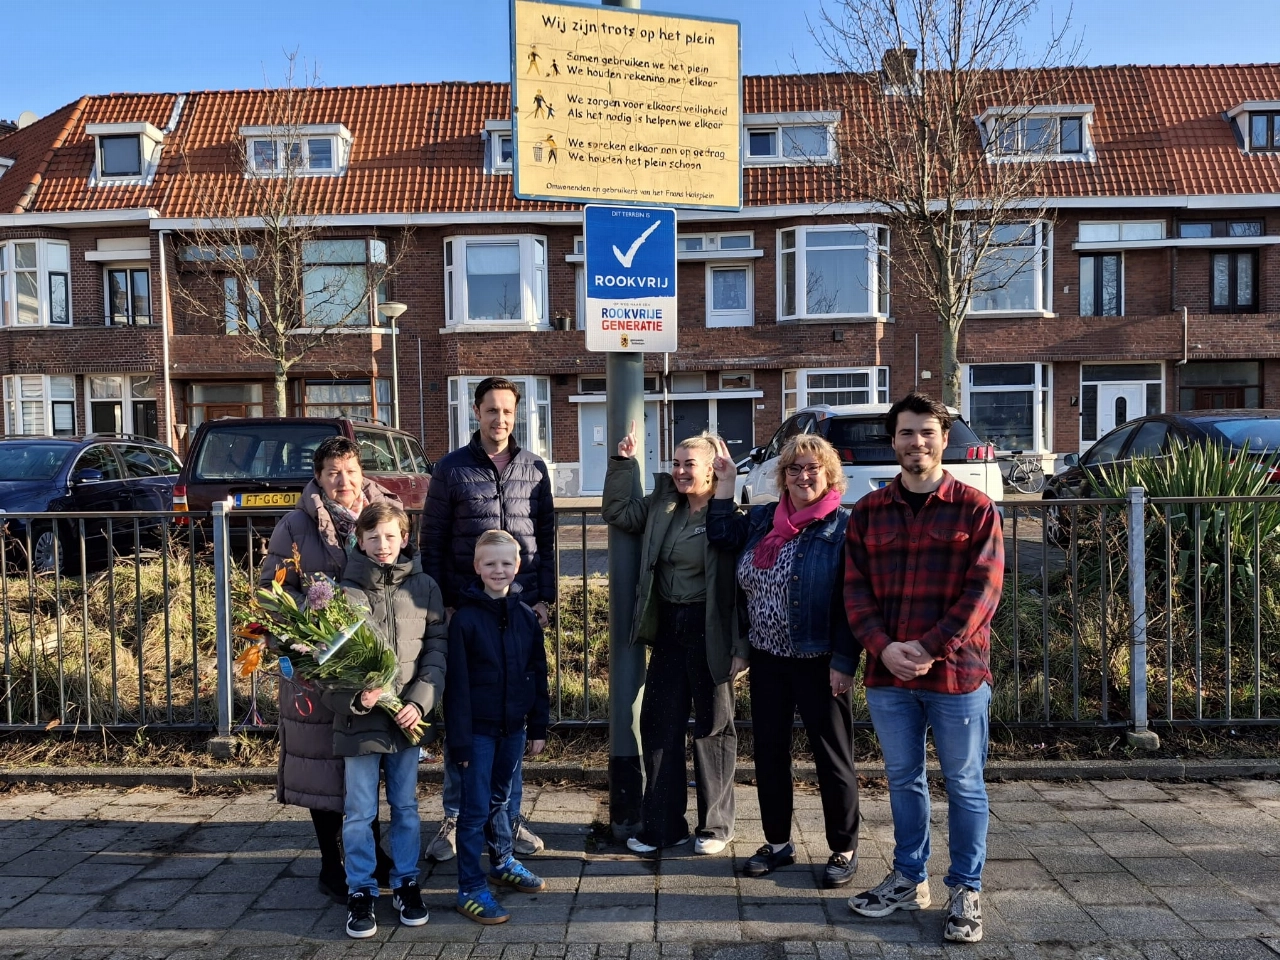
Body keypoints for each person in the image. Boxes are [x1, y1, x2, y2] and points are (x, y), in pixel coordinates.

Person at [843, 393, 1004, 944]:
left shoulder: (976, 509)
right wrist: (883, 647)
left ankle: (966, 889)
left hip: (957, 675)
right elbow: (854, 590)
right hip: (888, 676)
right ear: (893, 441)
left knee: (963, 782)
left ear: (943, 438)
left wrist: (931, 647)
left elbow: (983, 592)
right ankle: (909, 878)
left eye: (927, 432)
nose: (917, 442)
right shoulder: (868, 512)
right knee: (902, 780)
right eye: (907, 433)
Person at [706, 434, 863, 888]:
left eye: (813, 468)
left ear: (829, 475)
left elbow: (852, 600)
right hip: (768, 659)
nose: (803, 476)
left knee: (832, 758)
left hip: (820, 662)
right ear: (782, 477)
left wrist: (845, 660)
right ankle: (778, 844)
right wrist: (726, 481)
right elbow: (720, 533)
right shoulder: (762, 521)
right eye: (794, 469)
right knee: (770, 755)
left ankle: (843, 848)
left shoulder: (842, 528)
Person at [260, 435, 397, 903]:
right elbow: (271, 589)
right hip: (318, 664)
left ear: (363, 472)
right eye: (333, 472)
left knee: (366, 760)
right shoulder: (296, 526)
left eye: (351, 470)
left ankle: (371, 854)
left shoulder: (385, 512)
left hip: (373, 661)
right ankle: (330, 864)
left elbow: (403, 574)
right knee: (323, 767)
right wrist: (316, 616)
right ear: (318, 477)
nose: (344, 480)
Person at [421, 376, 553, 862]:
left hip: (519, 616)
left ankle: (508, 821)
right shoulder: (451, 470)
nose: (500, 420)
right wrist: (444, 606)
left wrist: (545, 601)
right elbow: (432, 543)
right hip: (467, 616)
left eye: (508, 411)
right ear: (476, 412)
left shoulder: (535, 469)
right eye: (492, 410)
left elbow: (546, 543)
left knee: (511, 717)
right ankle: (455, 819)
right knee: (467, 717)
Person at [602, 425, 741, 855]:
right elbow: (620, 513)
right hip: (669, 627)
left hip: (711, 627)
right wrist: (624, 463)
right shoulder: (664, 506)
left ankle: (716, 827)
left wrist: (740, 647)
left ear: (713, 470)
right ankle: (662, 826)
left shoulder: (729, 514)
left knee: (713, 726)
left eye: (690, 464)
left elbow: (741, 584)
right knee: (659, 722)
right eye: (676, 464)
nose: (680, 471)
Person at [329, 502, 447, 939]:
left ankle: (406, 881)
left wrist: (419, 700)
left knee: (406, 807)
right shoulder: (342, 594)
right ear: (359, 540)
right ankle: (360, 889)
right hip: (359, 722)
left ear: (404, 538)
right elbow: (325, 665)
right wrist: (357, 697)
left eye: (390, 536)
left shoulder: (425, 587)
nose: (382, 545)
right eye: (373, 537)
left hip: (406, 722)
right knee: (359, 812)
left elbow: (436, 651)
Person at [446, 530, 550, 925]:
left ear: (517, 566)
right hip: (477, 733)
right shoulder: (466, 621)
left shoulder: (525, 617)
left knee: (502, 801)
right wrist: (460, 744)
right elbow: (456, 688)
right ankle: (470, 887)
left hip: (514, 728)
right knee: (473, 811)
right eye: (489, 563)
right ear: (476, 567)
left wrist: (537, 725)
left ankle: (502, 860)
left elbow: (537, 674)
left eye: (506, 562)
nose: (498, 569)